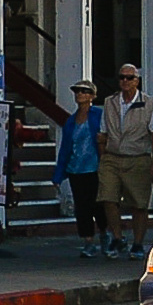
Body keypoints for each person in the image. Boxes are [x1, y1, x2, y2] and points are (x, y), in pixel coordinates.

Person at [96, 64, 153, 254]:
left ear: (137, 80)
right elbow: (102, 132)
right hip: (112, 156)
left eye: (129, 78)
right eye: (121, 77)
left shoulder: (148, 103)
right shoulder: (110, 102)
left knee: (139, 203)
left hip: (137, 157)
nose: (125, 81)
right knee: (107, 198)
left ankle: (137, 243)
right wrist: (103, 156)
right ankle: (118, 237)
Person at [57, 81, 108, 255]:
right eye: (77, 91)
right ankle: (88, 241)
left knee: (98, 204)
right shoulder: (71, 121)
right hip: (76, 169)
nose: (80, 94)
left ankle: (104, 234)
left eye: (85, 91)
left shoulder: (99, 115)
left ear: (92, 96)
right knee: (82, 206)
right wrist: (58, 174)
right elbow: (65, 148)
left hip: (95, 168)